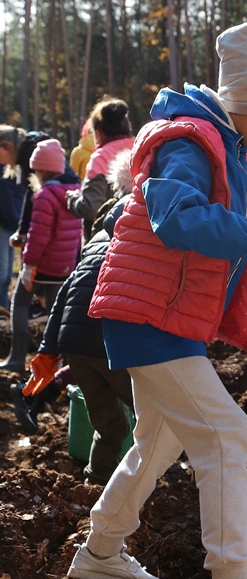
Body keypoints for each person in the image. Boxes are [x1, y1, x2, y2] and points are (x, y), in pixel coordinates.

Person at [67, 23, 247, 579]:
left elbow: (222, 262)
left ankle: (100, 551)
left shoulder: (228, 151)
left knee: (158, 441)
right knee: (226, 434)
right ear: (243, 97)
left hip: (164, 319)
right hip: (149, 318)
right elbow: (176, 220)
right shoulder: (190, 141)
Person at [12, 149, 135, 483]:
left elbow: (64, 296)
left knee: (111, 427)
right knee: (158, 417)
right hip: (110, 345)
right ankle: (168, 476)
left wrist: (49, 350)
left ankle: (94, 484)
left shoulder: (94, 243)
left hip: (76, 349)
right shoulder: (135, 242)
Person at [1, 139, 82, 375]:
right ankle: (56, 365)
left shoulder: (45, 195)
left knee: (19, 303)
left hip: (43, 267)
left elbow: (38, 237)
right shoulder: (74, 192)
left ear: (42, 169)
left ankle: (16, 358)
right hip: (64, 268)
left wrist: (27, 265)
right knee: (57, 317)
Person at [0, 125, 80, 249]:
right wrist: (22, 230)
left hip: (61, 207)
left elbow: (32, 194)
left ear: (8, 146)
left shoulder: (31, 154)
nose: (1, 161)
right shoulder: (28, 149)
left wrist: (22, 231)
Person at [66, 98, 135, 238]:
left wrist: (73, 199)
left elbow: (92, 207)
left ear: (98, 133)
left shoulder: (100, 158)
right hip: (137, 235)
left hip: (105, 240)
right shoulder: (139, 147)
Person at [0, 167, 25, 310]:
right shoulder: (5, 171)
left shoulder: (18, 168)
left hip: (12, 223)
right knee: (3, 272)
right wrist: (17, 221)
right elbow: (6, 201)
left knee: (8, 274)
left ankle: (3, 306)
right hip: (5, 224)